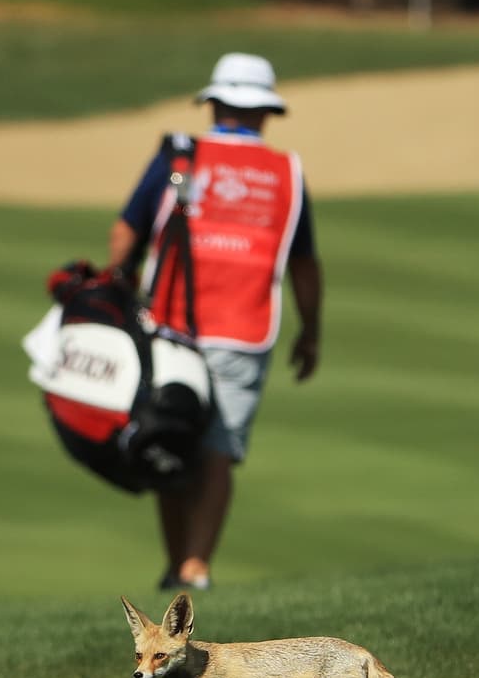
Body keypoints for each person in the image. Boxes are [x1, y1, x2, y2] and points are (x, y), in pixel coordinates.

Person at [108, 52, 324, 592]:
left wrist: (118, 284)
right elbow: (303, 264)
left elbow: (125, 232)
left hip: (170, 327)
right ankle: (196, 567)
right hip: (245, 329)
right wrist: (311, 331)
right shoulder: (286, 173)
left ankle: (178, 562)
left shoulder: (180, 157)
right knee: (217, 451)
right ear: (265, 112)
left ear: (214, 105)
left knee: (168, 437)